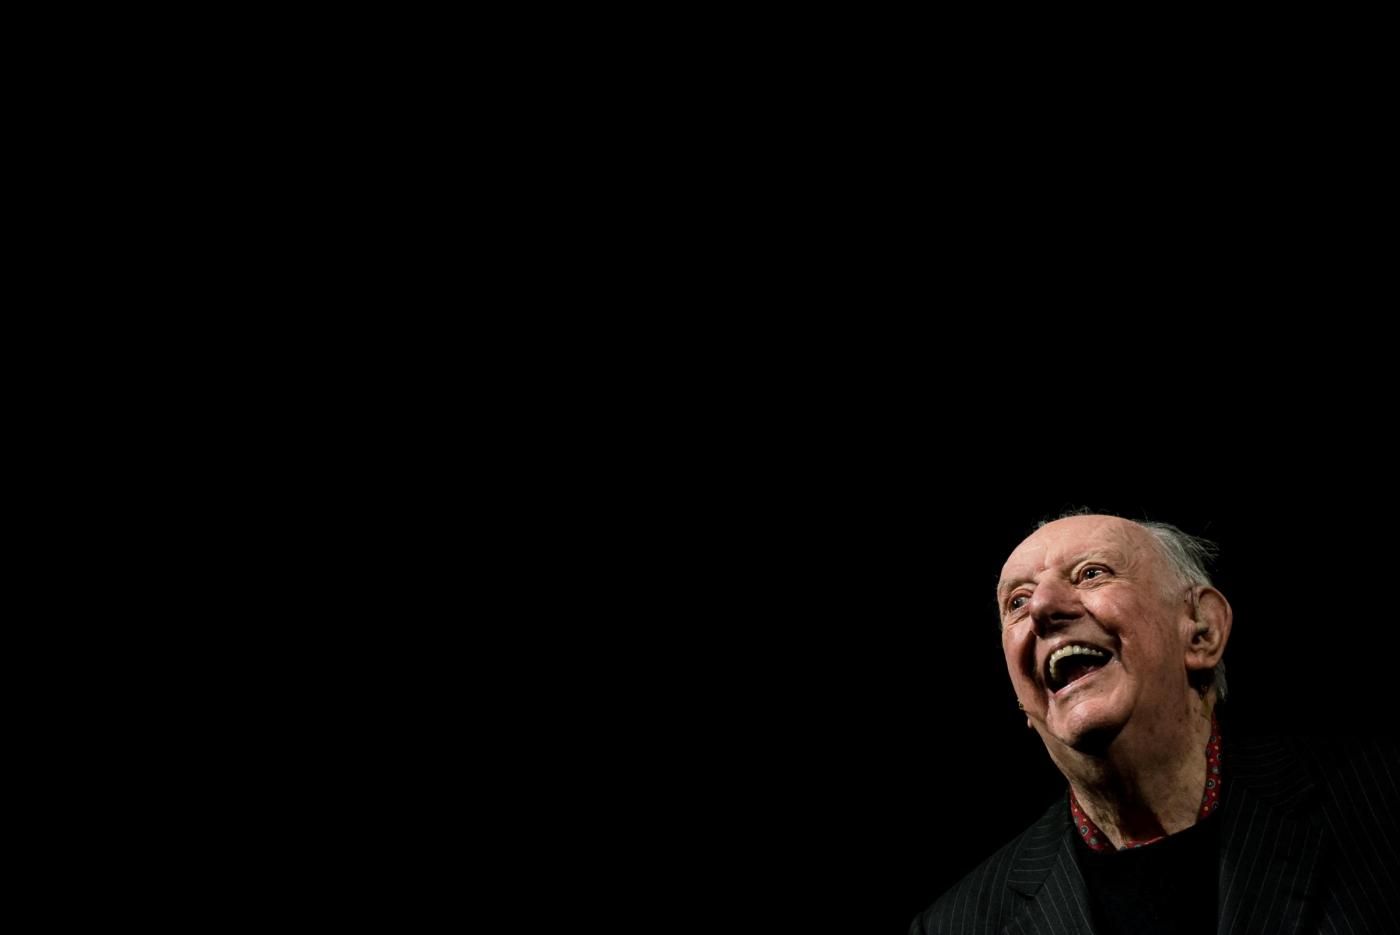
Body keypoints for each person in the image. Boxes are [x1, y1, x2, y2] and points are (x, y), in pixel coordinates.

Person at [909, 513, 1398, 935]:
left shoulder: (1380, 797)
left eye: (1091, 574)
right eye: (1017, 601)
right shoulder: (957, 924)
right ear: (1023, 697)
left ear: (1201, 631)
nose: (1041, 608)